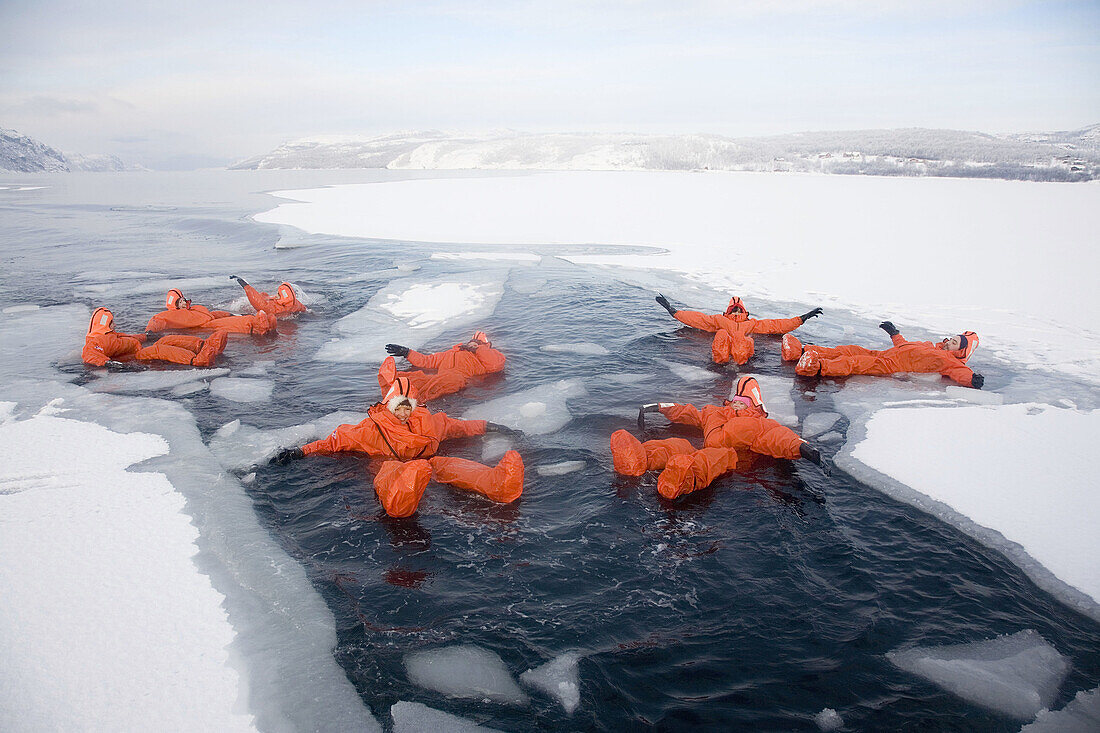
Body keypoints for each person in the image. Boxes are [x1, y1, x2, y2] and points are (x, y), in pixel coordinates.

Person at [270, 377, 525, 517]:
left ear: (413, 407)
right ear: (388, 407)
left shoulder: (431, 423)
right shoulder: (370, 429)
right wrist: (300, 452)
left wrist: (494, 426)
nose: (403, 413)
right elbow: (333, 442)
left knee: (442, 465)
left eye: (407, 408)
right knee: (392, 471)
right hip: (390, 469)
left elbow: (462, 427)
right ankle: (400, 501)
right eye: (397, 408)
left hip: (425, 467)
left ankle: (497, 484)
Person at [610, 376, 823, 499]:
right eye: (737, 400)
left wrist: (802, 448)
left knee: (710, 459)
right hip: (702, 448)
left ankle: (680, 479)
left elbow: (779, 437)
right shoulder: (714, 412)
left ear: (754, 405)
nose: (739, 403)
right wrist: (660, 407)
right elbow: (689, 413)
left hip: (731, 459)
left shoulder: (760, 423)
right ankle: (638, 458)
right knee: (678, 445)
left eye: (745, 402)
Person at [783, 321, 984, 388]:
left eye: (955, 343)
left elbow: (961, 371)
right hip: (885, 354)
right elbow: (905, 346)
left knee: (854, 362)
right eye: (952, 338)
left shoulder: (948, 360)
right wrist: (895, 334)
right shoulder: (931, 346)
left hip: (889, 366)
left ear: (961, 351)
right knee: (851, 349)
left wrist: (972, 379)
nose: (949, 341)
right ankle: (801, 351)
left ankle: (815, 367)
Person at [655, 293, 822, 366]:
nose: (736, 312)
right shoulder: (718, 320)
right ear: (728, 311)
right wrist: (674, 312)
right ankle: (721, 363)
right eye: (733, 310)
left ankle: (738, 363)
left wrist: (801, 318)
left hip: (743, 353)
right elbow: (698, 319)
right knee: (721, 334)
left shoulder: (753, 324)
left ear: (744, 311)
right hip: (724, 352)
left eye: (738, 309)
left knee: (746, 340)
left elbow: (777, 325)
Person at [378, 331, 506, 402]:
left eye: (477, 342)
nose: (473, 343)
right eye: (472, 342)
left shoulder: (486, 355)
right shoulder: (450, 353)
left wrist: (480, 348)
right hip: (441, 377)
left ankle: (406, 400)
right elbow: (426, 361)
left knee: (434, 384)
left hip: (459, 379)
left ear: (484, 345)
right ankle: (396, 385)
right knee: (415, 378)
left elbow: (495, 365)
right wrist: (407, 352)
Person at [82, 307, 229, 368]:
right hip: (135, 357)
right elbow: (89, 353)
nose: (115, 324)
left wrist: (146, 337)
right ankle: (196, 360)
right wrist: (109, 364)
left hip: (137, 350)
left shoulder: (108, 335)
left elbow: (128, 338)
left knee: (167, 339)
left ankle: (205, 345)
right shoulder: (98, 340)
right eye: (111, 322)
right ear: (104, 323)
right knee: (159, 349)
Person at [145, 289, 276, 334]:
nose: (184, 303)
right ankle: (257, 325)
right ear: (174, 305)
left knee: (228, 320)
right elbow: (157, 320)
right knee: (236, 324)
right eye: (180, 302)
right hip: (202, 327)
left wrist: (232, 314)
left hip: (209, 322)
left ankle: (260, 322)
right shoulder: (171, 314)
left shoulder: (194, 309)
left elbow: (214, 314)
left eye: (184, 300)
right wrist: (149, 332)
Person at [229, 275, 306, 317]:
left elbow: (255, 299)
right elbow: (306, 310)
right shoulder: (296, 303)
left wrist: (243, 284)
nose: (276, 295)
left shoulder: (269, 308)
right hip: (285, 316)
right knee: (264, 294)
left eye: (278, 294)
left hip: (270, 316)